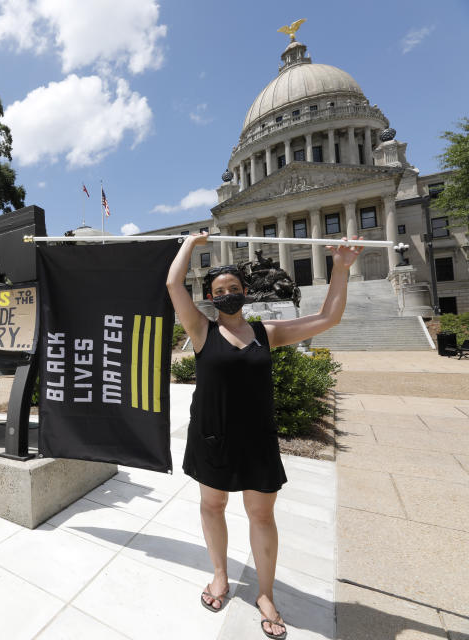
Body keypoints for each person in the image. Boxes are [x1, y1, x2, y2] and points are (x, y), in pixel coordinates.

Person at [166, 232, 361, 640]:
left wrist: (340, 268)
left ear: (246, 292)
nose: (227, 295)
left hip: (256, 440)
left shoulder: (266, 333)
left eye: (233, 288)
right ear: (210, 297)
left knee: (261, 515)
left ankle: (266, 594)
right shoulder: (200, 330)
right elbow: (172, 284)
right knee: (212, 507)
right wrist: (189, 243)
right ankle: (219, 576)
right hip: (212, 436)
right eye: (219, 291)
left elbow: (328, 319)